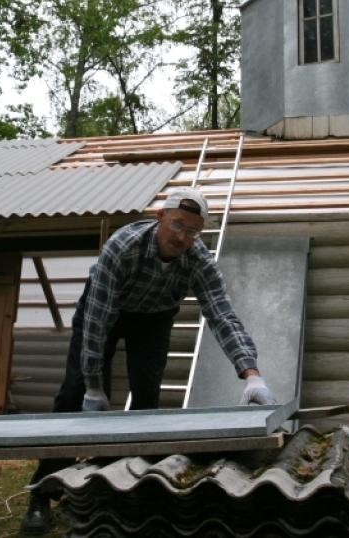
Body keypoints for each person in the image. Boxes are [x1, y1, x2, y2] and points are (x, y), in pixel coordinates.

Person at [19, 186, 275, 535]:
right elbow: (97, 320)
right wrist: (94, 385)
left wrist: (252, 375)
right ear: (160, 218)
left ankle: (123, 489)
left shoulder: (198, 260)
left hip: (153, 319)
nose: (183, 236)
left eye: (192, 231)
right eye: (177, 225)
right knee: (73, 397)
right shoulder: (122, 248)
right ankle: (42, 493)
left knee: (146, 401)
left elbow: (221, 314)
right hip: (103, 312)